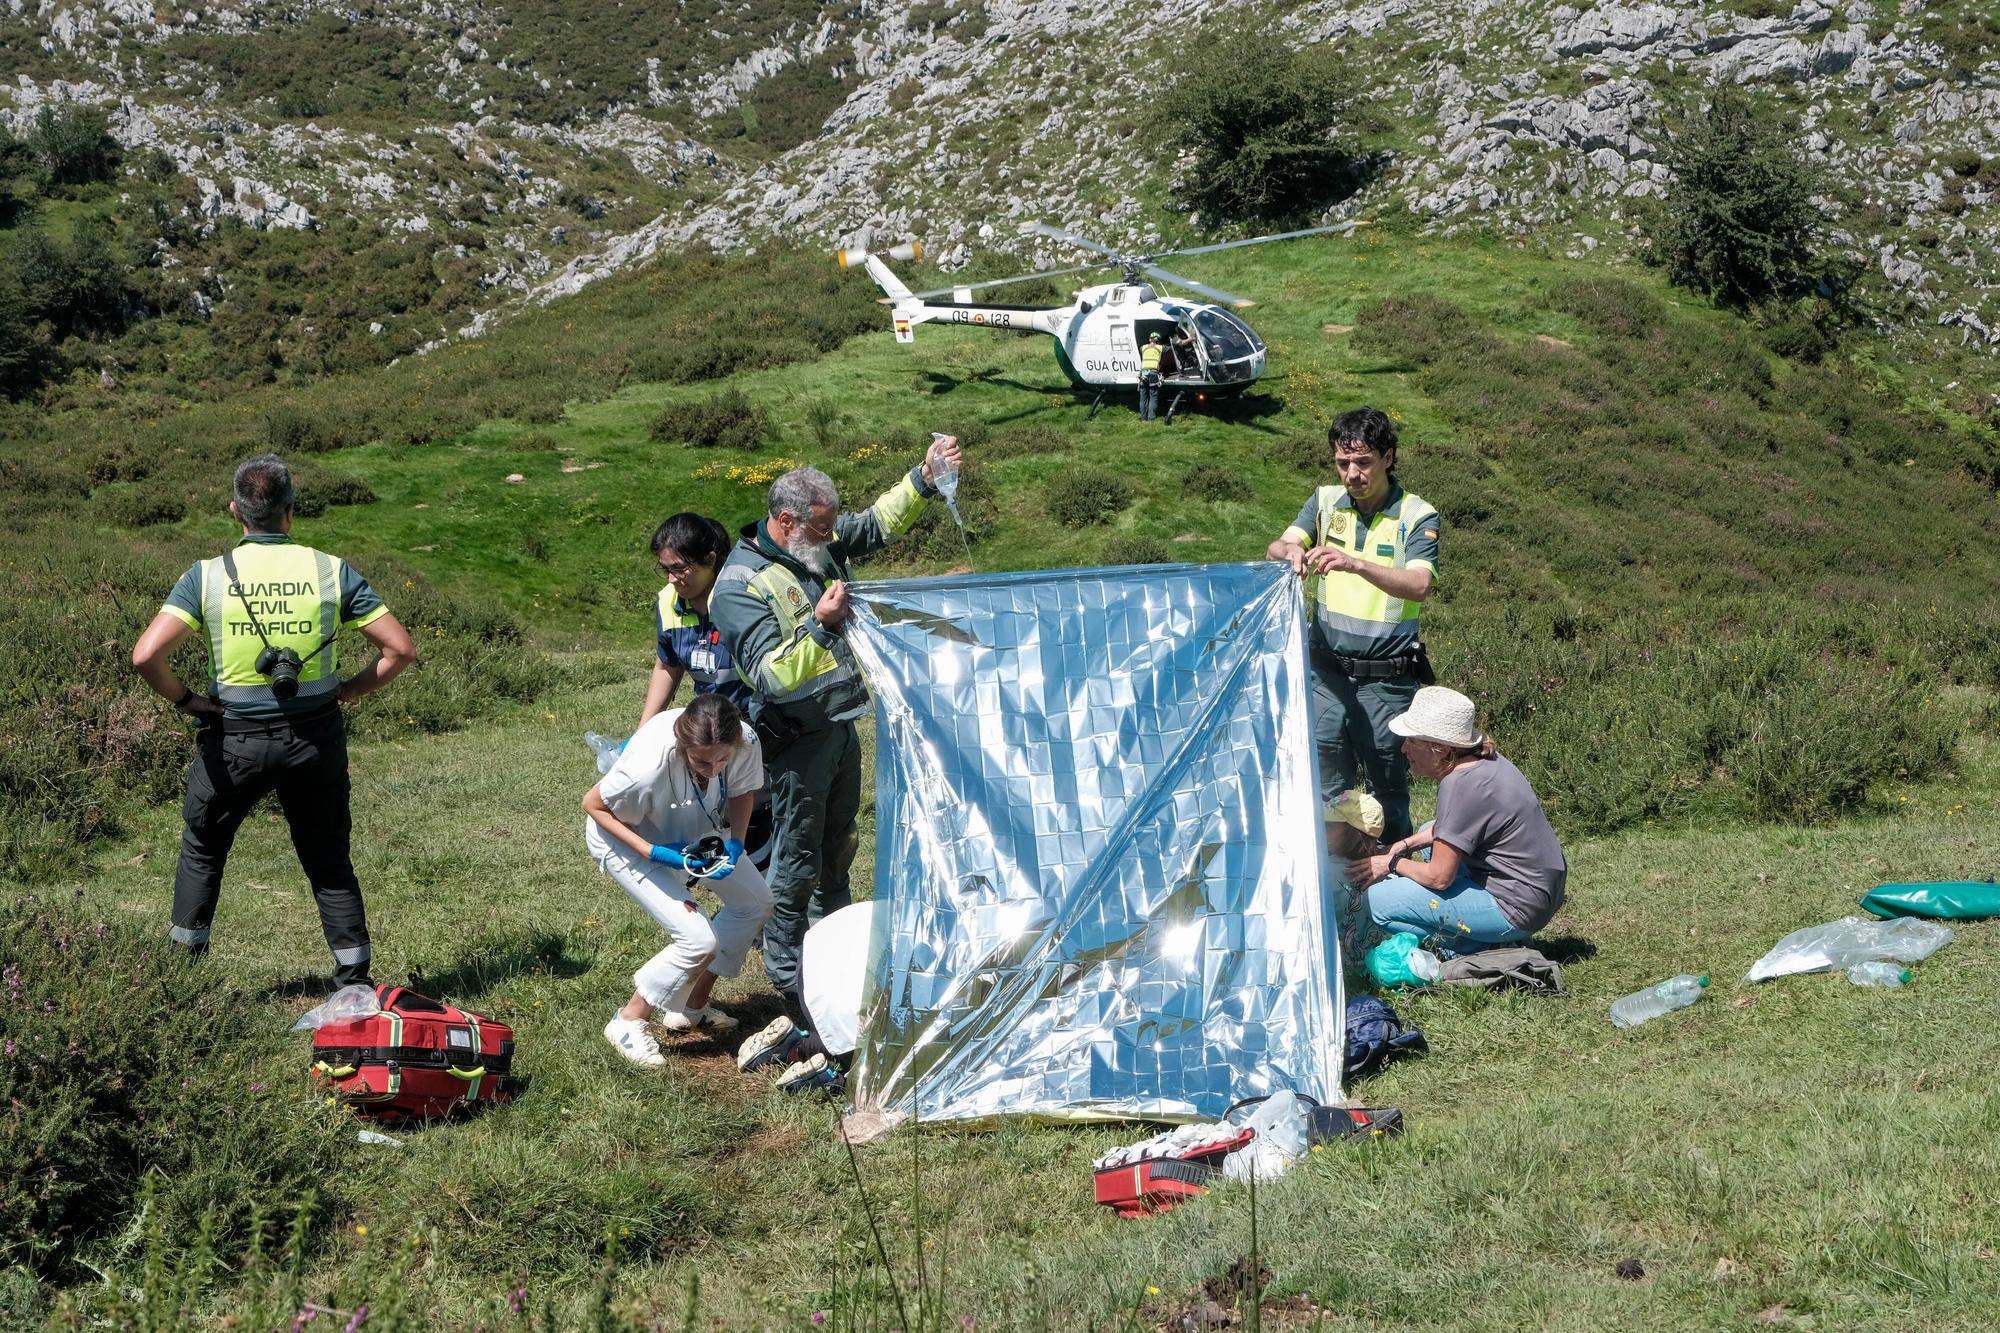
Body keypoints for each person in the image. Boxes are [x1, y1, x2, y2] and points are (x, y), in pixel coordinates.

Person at [129, 453, 417, 987]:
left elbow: (145, 656)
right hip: (315, 740)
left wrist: (189, 701)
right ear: (290, 511)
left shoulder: (207, 577)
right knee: (328, 857)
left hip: (233, 742)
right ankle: (353, 978)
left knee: (202, 850)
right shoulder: (330, 570)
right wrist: (347, 690)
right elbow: (399, 649)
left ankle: (182, 977)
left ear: (236, 511)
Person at [711, 437, 961, 1018]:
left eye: (829, 527)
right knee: (796, 862)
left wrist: (922, 478)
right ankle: (791, 985)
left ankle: (838, 970)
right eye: (822, 529)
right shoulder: (739, 587)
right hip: (794, 742)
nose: (832, 538)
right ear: (785, 520)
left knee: (838, 852)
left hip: (840, 727)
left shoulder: (815, 540)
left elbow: (873, 525)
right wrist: (821, 628)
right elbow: (770, 677)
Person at [1266, 407, 1438, 843]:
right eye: (1343, 463)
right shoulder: (1324, 502)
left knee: (1389, 785)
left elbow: (1419, 584)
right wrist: (1288, 553)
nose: (1352, 474)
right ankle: (1333, 878)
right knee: (1322, 781)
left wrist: (1356, 564)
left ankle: (1394, 874)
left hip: (1386, 681)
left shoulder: (1418, 515)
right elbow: (1280, 544)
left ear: (1389, 457)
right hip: (1325, 673)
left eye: (1363, 462)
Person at [583, 692, 774, 1065]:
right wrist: (652, 852)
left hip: (689, 828)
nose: (715, 768)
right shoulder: (647, 765)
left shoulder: (744, 740)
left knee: (756, 903)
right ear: (682, 745)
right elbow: (593, 805)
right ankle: (628, 1020)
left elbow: (741, 790)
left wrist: (736, 841)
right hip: (624, 838)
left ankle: (690, 1006)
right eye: (703, 761)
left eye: (722, 758)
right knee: (698, 938)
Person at [1346, 686, 1566, 953]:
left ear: (1438, 748)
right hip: (1538, 893)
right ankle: (1492, 934)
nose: (1404, 748)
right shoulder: (1485, 761)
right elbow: (1446, 828)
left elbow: (1439, 878)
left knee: (1377, 903)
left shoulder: (1459, 785)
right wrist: (1402, 846)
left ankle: (1480, 947)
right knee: (1429, 832)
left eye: (1412, 740)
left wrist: (1391, 863)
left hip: (1516, 907)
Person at [638, 513, 750, 727]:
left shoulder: (742, 596)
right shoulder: (667, 601)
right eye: (665, 569)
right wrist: (642, 733)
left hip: (761, 721)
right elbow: (667, 667)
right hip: (710, 725)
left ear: (710, 560)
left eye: (679, 568)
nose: (671, 579)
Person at [1137, 331, 1165, 421]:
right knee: (1153, 396)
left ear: (1149, 339)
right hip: (1153, 373)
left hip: (1144, 373)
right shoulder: (1161, 348)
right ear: (1158, 340)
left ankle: (1143, 419)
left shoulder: (1143, 347)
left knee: (1143, 397)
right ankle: (1151, 419)